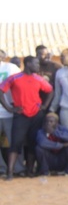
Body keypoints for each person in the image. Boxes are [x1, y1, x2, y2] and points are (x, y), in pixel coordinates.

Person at [0, 56, 54, 179]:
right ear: (28, 64)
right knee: (15, 143)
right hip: (21, 115)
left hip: (36, 115)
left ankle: (29, 171)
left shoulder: (38, 79)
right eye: (36, 63)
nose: (38, 66)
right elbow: (1, 90)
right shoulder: (15, 78)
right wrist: (9, 108)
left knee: (33, 142)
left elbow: (50, 90)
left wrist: (44, 106)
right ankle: (10, 173)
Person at [0, 49, 23, 177]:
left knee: (15, 142)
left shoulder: (11, 67)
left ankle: (18, 168)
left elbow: (21, 84)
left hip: (9, 113)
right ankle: (2, 168)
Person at [35, 112, 68, 176]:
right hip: (50, 160)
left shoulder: (62, 129)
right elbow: (42, 143)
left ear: (57, 123)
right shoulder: (41, 131)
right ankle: (45, 172)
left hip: (62, 159)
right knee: (39, 148)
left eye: (51, 121)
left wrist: (55, 132)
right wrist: (61, 145)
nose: (49, 123)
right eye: (47, 121)